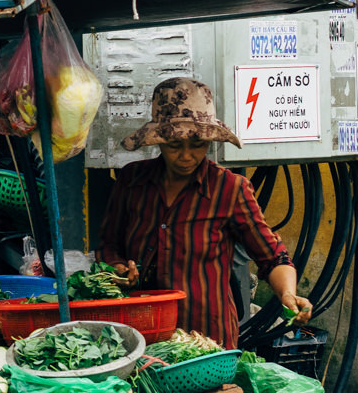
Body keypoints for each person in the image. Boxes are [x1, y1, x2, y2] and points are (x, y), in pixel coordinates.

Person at [97, 78, 312, 347]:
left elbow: (272, 257)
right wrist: (116, 268)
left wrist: (288, 295)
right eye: (175, 145)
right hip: (143, 332)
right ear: (160, 141)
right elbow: (108, 245)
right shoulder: (132, 181)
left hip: (208, 339)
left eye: (198, 144)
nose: (186, 156)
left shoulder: (230, 189)